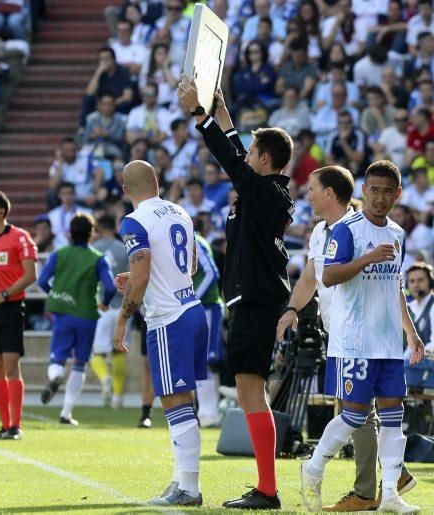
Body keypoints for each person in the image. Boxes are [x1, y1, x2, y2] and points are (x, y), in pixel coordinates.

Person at [178, 78, 293, 510]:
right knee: (249, 391)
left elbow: (232, 160)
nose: (246, 154)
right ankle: (266, 486)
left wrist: (200, 117)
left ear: (265, 159)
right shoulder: (268, 190)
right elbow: (238, 155)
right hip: (254, 302)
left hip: (257, 303)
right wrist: (222, 113)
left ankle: (267, 489)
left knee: (250, 390)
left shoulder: (264, 190)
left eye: (252, 151)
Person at [275, 165, 416, 511]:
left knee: (393, 417)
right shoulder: (346, 230)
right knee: (355, 416)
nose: (381, 197)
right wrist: (292, 308)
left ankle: (390, 496)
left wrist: (410, 333)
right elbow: (329, 275)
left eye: (388, 191)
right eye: (375, 190)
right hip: (354, 339)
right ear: (365, 190)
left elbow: (395, 286)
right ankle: (314, 468)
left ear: (397, 194)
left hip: (386, 343)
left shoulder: (396, 232)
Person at [111, 160, 208, 507]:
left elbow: (142, 274)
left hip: (168, 318)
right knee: (181, 401)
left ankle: (190, 489)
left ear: (126, 191)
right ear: (156, 180)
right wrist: (137, 276)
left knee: (174, 402)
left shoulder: (134, 220)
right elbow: (191, 265)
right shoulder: (180, 211)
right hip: (192, 307)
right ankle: (182, 481)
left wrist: (122, 318)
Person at [37, 214, 116, 426]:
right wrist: (105, 302)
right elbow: (110, 286)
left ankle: (55, 377)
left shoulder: (59, 254)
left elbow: (42, 280)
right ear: (92, 234)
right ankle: (66, 412)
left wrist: (55, 294)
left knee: (58, 357)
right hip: (87, 315)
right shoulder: (99, 258)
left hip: (62, 313)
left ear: (70, 233)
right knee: (80, 363)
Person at [0, 190, 38, 440]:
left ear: (0, 212)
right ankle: (4, 425)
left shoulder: (20, 237)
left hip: (11, 308)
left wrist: (4, 294)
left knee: (12, 366)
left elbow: (30, 275)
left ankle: (16, 426)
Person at [88, 215, 129, 409]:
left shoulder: (94, 250)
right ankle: (118, 398)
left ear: (98, 228)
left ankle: (105, 379)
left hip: (100, 307)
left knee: (97, 353)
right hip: (121, 307)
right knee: (119, 352)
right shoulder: (124, 249)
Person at [193, 225, 225, 428]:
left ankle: (209, 412)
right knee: (199, 360)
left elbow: (211, 273)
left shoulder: (195, 241)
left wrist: (192, 298)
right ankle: (206, 411)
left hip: (208, 306)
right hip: (201, 307)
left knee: (204, 360)